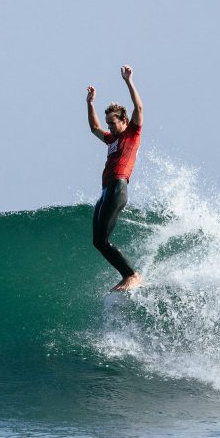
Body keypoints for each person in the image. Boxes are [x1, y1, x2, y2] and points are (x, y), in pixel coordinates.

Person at [86, 64, 144, 291]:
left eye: (113, 122)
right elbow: (94, 128)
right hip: (106, 190)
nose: (109, 126)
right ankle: (127, 274)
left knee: (103, 240)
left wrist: (128, 81)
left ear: (123, 120)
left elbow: (138, 106)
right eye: (108, 122)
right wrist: (90, 103)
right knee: (97, 241)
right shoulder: (111, 140)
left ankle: (132, 274)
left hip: (118, 186)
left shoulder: (132, 133)